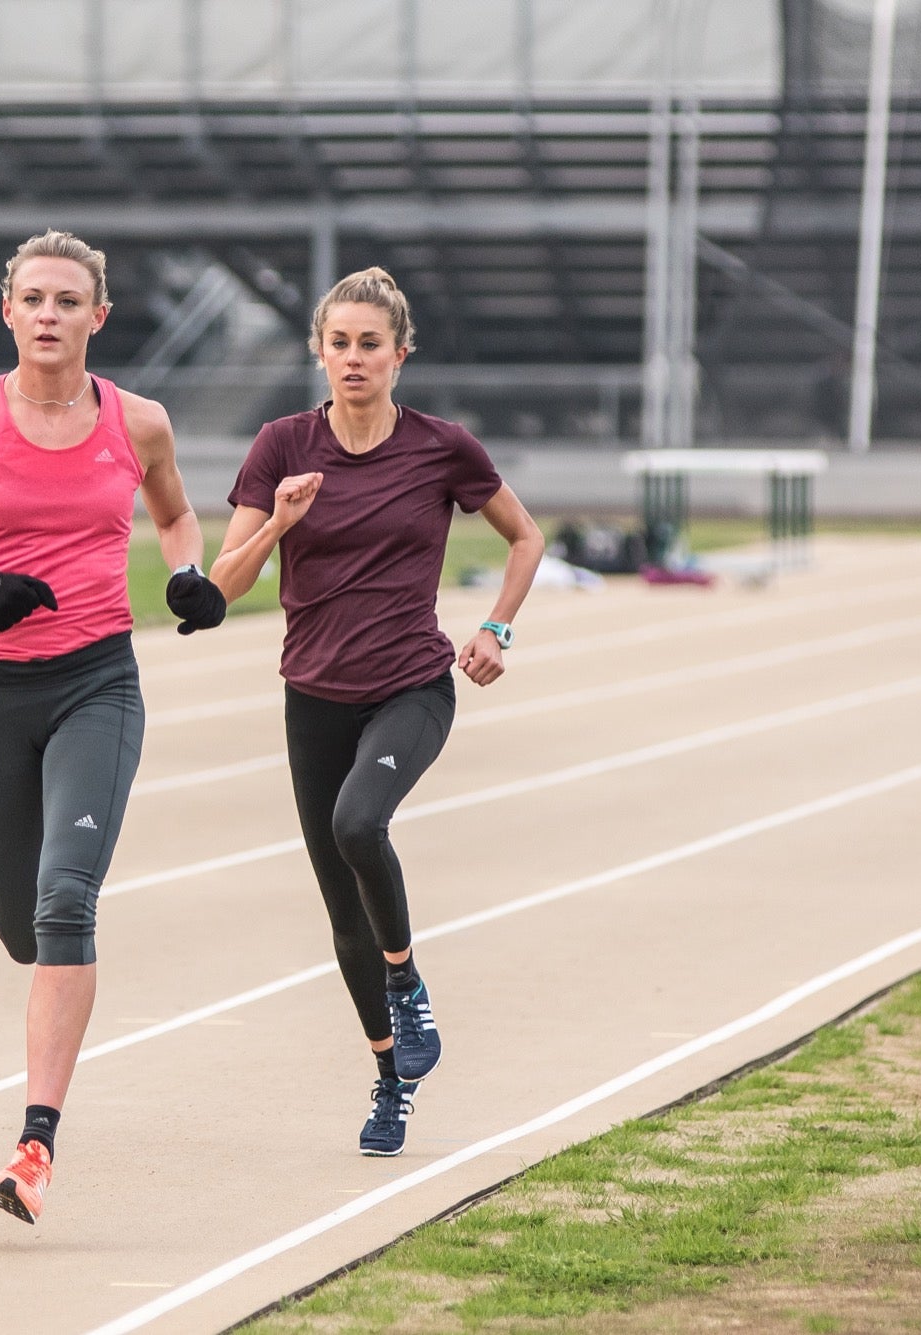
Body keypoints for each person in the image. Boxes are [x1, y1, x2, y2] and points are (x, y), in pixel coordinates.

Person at [0, 230, 227, 1225]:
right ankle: (43, 1031)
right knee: (22, 928)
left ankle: (34, 1144)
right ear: (9, 310)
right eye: (34, 298)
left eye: (69, 301)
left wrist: (187, 575)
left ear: (97, 318)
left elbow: (175, 517)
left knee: (67, 900)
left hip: (94, 686)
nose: (50, 315)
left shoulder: (138, 423)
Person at [210, 267, 544, 1158]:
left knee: (360, 824)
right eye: (339, 343)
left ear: (400, 354)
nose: (354, 358)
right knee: (340, 911)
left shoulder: (441, 446)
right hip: (311, 694)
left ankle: (407, 978)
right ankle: (391, 1078)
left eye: (371, 344)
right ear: (319, 352)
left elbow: (525, 535)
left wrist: (496, 627)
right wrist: (278, 522)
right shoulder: (282, 445)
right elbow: (222, 583)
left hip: (410, 685)